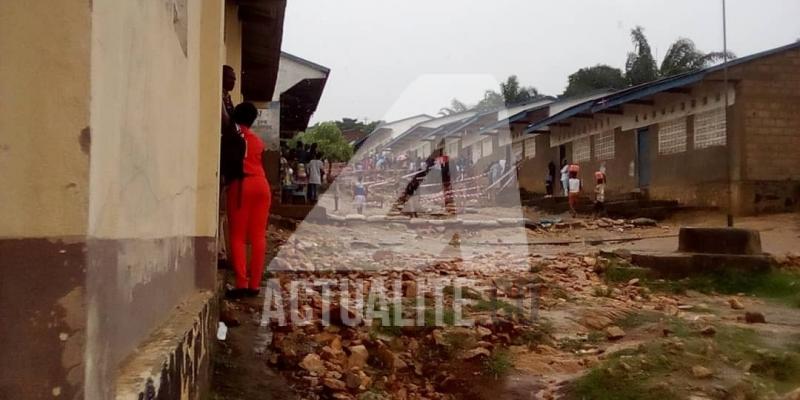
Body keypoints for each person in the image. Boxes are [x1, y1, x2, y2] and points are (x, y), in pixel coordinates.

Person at [226, 102, 272, 299]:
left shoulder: (233, 136)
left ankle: (242, 283)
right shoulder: (257, 140)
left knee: (237, 236)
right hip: (262, 185)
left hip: (242, 185)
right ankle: (255, 285)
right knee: (258, 236)